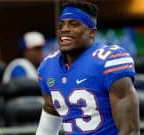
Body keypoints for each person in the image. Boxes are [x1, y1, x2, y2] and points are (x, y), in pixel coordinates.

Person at [36, 1, 140, 135]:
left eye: (74, 24)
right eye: (61, 25)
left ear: (91, 32)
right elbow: (50, 114)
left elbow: (130, 130)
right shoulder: (48, 67)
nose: (65, 29)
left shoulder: (109, 60)